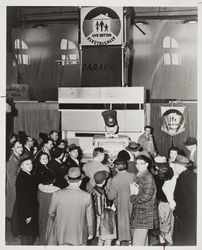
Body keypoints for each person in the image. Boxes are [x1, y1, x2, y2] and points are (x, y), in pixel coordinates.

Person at [47, 167, 94, 245]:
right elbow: (90, 217)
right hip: (79, 233)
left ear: (68, 181)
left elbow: (51, 213)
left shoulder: (57, 194)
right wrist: (91, 232)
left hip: (62, 231)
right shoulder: (87, 196)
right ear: (80, 181)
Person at [130, 155, 158, 246]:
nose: (138, 166)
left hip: (144, 213)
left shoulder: (148, 177)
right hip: (140, 211)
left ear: (147, 164)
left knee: (137, 243)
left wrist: (133, 198)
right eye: (137, 163)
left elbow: (146, 196)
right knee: (142, 241)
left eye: (141, 164)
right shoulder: (140, 174)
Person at [106, 159, 135, 246]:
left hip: (121, 203)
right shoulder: (133, 175)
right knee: (132, 220)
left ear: (116, 168)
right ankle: (131, 240)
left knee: (122, 222)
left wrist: (107, 189)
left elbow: (111, 196)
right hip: (133, 202)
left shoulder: (115, 179)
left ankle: (121, 239)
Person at [172, 155, 196, 246]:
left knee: (181, 241)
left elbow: (186, 202)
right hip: (191, 215)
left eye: (175, 165)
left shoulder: (184, 179)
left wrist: (176, 212)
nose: (174, 167)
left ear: (180, 166)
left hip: (184, 217)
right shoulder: (192, 175)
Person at [15, 157, 38, 245]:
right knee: (26, 238)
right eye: (27, 164)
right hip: (27, 212)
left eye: (31, 163)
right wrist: (28, 214)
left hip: (30, 211)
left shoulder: (28, 175)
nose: (30, 166)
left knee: (30, 236)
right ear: (21, 166)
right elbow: (22, 198)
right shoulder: (22, 178)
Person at [92, 171, 116, 246]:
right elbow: (99, 211)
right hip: (102, 220)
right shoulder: (100, 194)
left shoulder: (94, 189)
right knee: (107, 239)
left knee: (101, 239)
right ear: (104, 181)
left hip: (97, 218)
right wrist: (111, 209)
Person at [38, 171, 60, 245]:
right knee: (52, 236)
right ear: (54, 180)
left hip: (41, 213)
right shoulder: (58, 191)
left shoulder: (39, 188)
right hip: (53, 216)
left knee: (42, 233)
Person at [6, 141, 24, 221]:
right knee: (14, 214)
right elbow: (12, 180)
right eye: (18, 147)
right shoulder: (12, 161)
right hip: (15, 191)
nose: (21, 149)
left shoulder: (18, 158)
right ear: (13, 148)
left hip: (17, 188)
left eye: (21, 147)